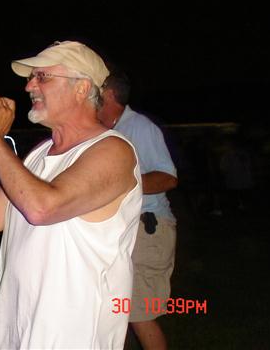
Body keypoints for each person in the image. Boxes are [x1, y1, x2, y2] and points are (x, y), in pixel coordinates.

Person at [0, 40, 143, 349]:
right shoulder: (40, 153)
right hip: (15, 327)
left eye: (42, 76)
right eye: (32, 77)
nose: (29, 86)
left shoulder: (113, 150)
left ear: (82, 88)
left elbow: (41, 209)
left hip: (72, 333)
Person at [98, 69, 178, 350]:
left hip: (148, 229)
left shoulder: (139, 127)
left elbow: (168, 177)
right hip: (124, 232)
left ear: (108, 94)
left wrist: (120, 184)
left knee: (139, 315)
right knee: (115, 309)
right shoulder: (110, 132)